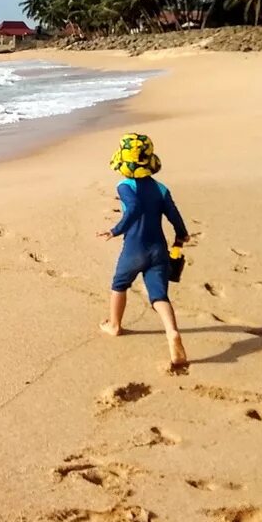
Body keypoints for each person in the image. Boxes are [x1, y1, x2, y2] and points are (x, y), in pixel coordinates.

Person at [97, 133, 191, 372]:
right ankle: (172, 331)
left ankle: (115, 325)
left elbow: (135, 207)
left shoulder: (125, 185)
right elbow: (174, 215)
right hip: (158, 247)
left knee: (119, 284)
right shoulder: (161, 188)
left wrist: (115, 230)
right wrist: (181, 235)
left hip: (134, 248)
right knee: (159, 295)